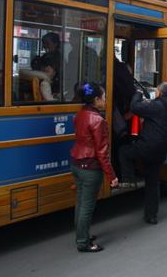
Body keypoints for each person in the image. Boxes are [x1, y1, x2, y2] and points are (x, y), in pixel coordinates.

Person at [118, 82, 167, 224]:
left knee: (124, 152)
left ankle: (128, 181)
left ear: (159, 92)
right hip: (161, 150)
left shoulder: (157, 105)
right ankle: (151, 215)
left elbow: (135, 107)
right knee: (153, 182)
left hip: (147, 146)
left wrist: (138, 93)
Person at [70, 82, 118, 253]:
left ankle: (81, 234)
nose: (105, 101)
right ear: (96, 100)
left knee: (80, 202)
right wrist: (112, 176)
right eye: (104, 98)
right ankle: (83, 242)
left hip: (76, 163)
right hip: (90, 167)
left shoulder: (80, 114)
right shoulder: (98, 120)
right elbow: (102, 153)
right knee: (87, 206)